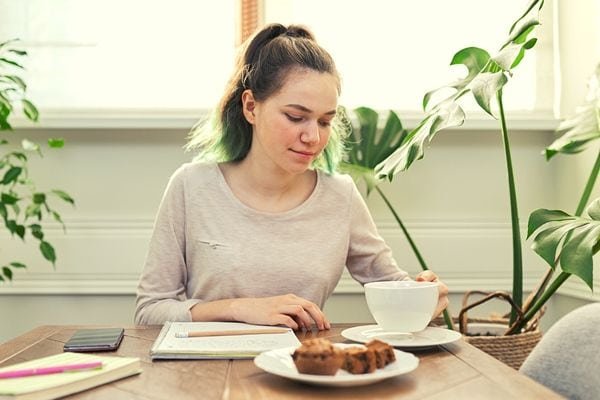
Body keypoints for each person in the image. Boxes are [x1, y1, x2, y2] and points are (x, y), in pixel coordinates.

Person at [134, 23, 449, 330]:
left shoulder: (341, 196)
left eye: (325, 121)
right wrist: (241, 309)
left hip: (304, 369)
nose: (313, 137)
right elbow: (150, 311)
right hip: (210, 372)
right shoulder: (191, 187)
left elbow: (392, 285)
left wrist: (423, 295)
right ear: (250, 107)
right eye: (296, 117)